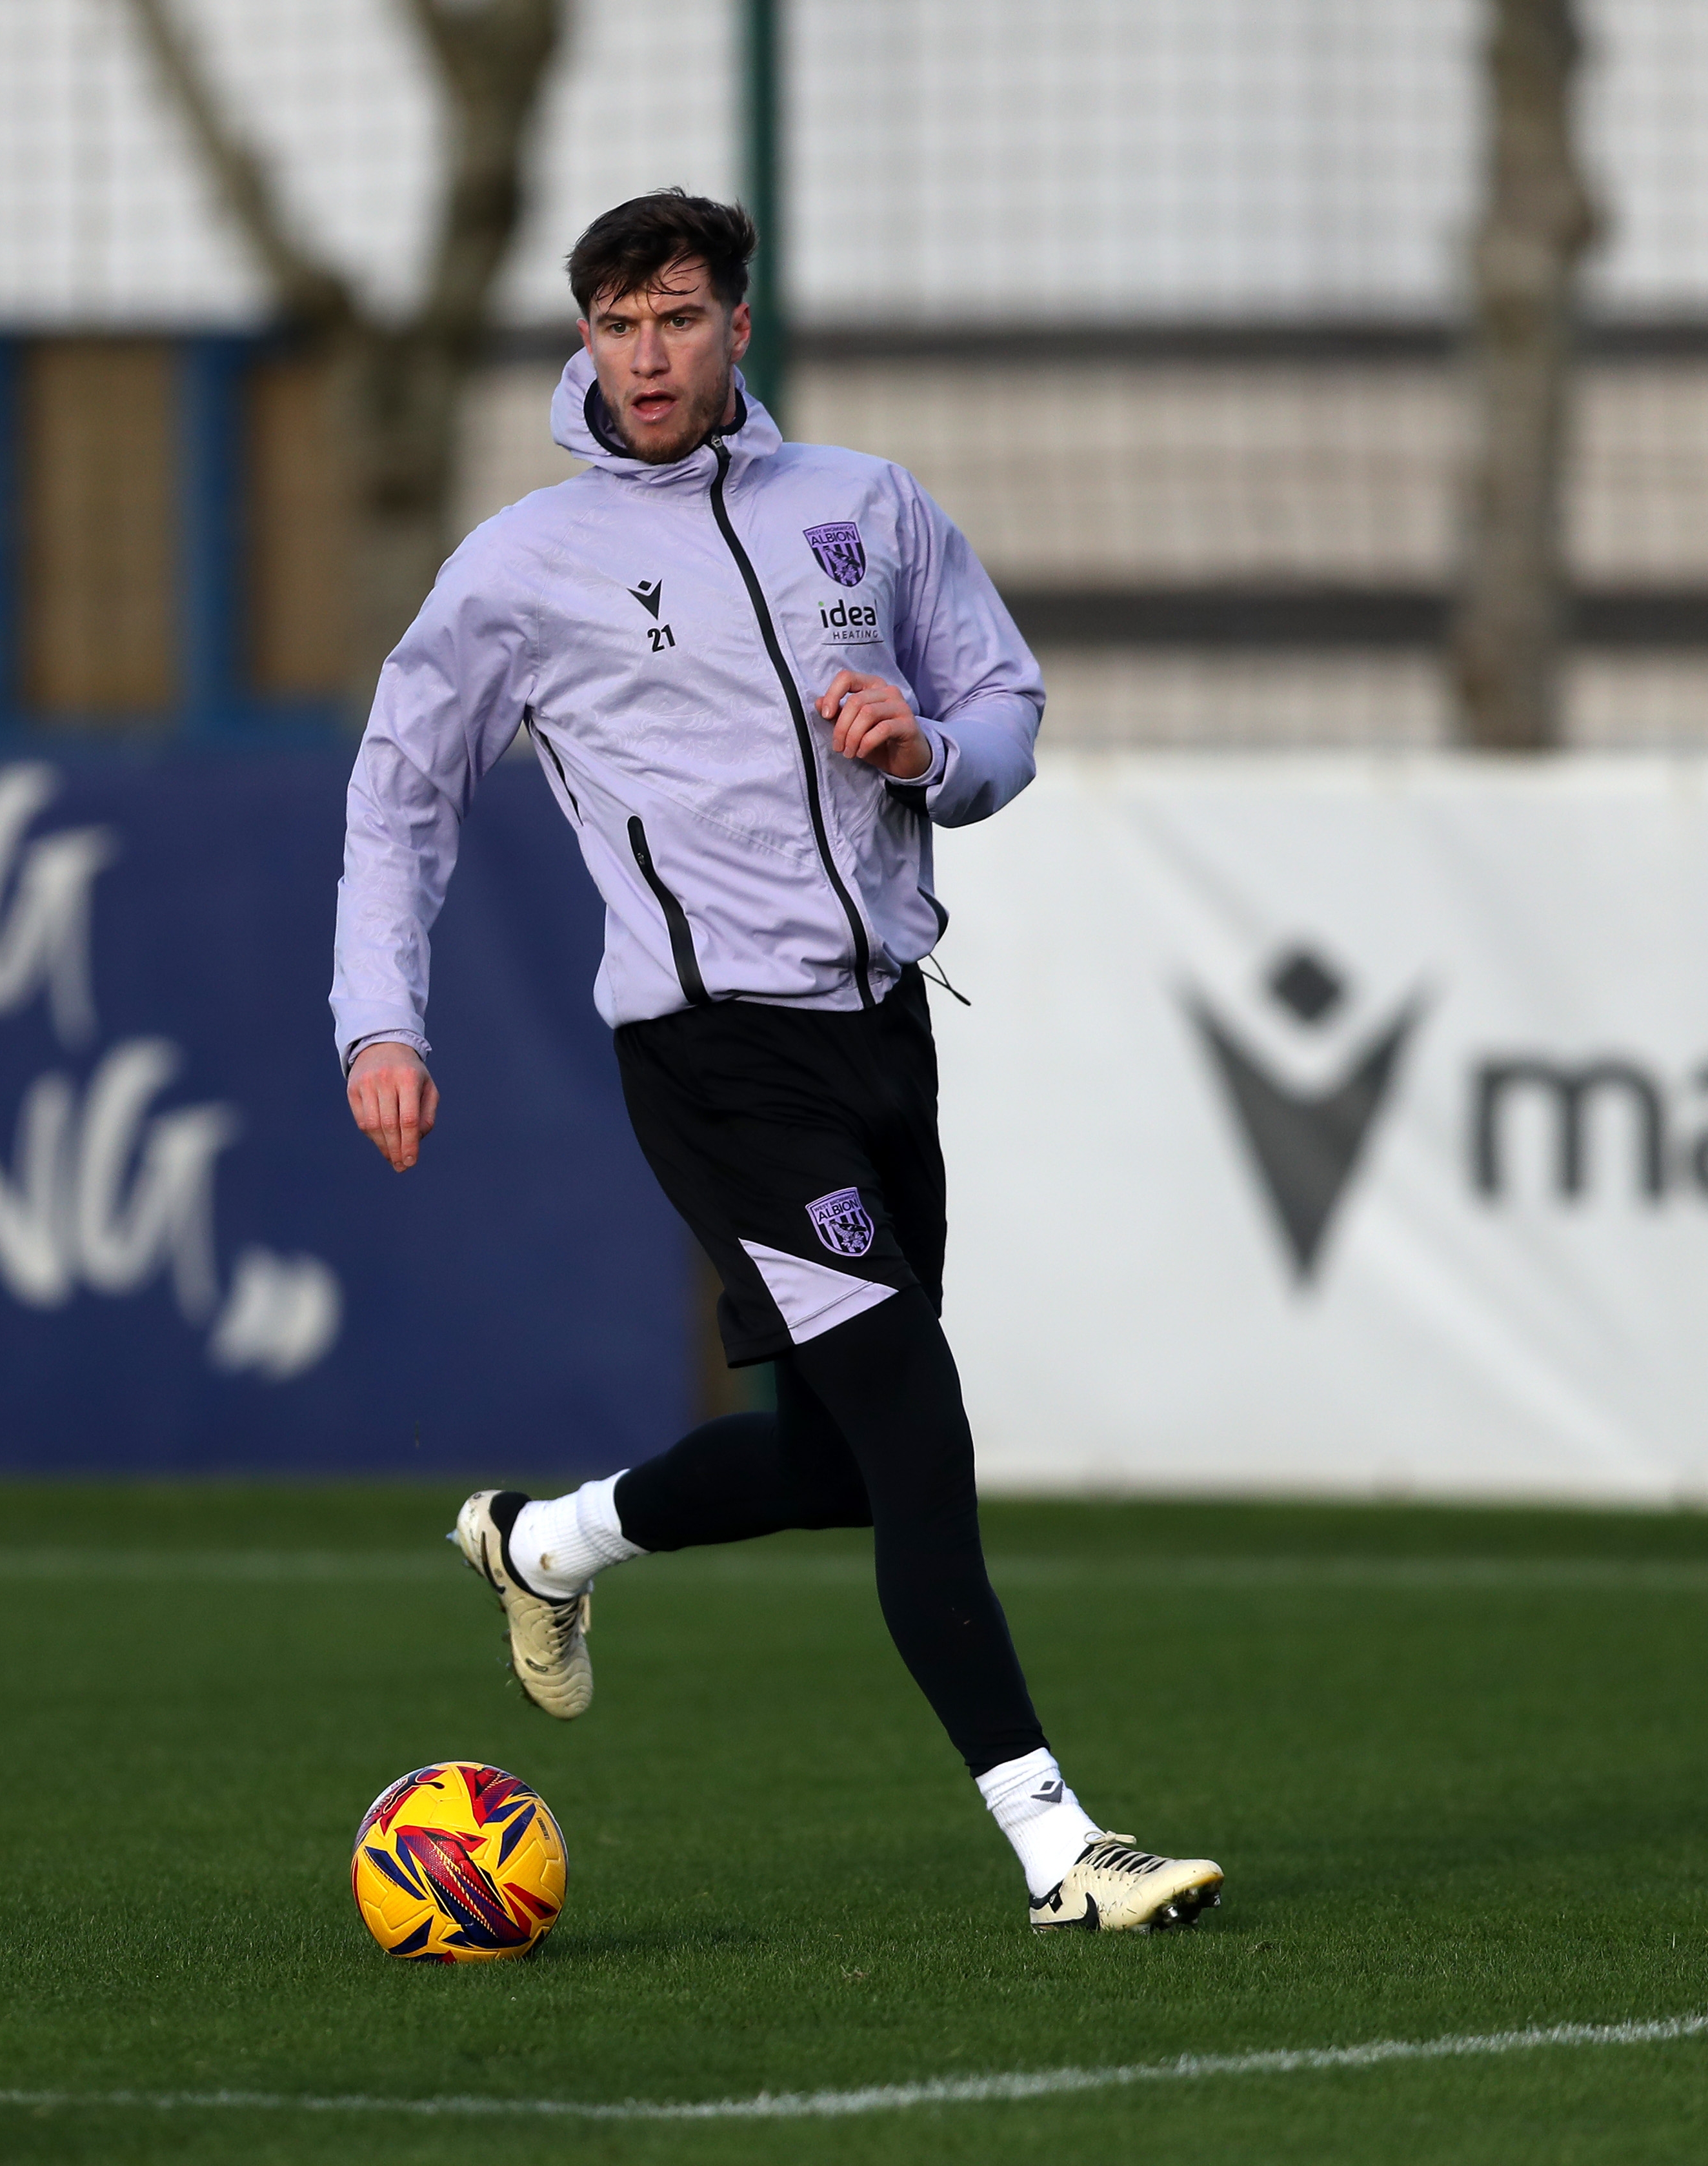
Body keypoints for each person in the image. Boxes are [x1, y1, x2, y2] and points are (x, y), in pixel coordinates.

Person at [328, 190, 1221, 1934]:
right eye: (611, 323)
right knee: (918, 1425)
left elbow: (1004, 711)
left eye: (672, 316)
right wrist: (381, 1014)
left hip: (882, 1031)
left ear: (736, 321)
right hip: (715, 1059)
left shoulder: (864, 509)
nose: (643, 354)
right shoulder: (522, 562)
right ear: (580, 342)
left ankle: (547, 1540)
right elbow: (399, 789)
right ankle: (1060, 1847)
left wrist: (928, 748)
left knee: (832, 1463)